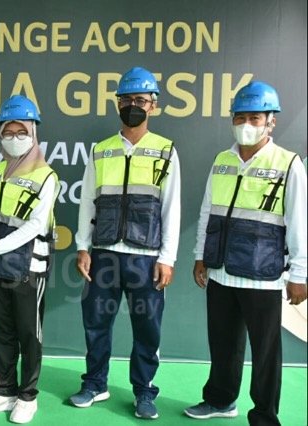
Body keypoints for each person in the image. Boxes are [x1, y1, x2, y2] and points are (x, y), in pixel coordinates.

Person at [184, 81, 307, 425]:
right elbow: (207, 212)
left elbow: (300, 223)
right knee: (223, 344)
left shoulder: (288, 164)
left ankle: (265, 416)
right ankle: (220, 400)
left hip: (263, 276)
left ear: (271, 121)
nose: (246, 124)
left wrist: (299, 275)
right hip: (221, 270)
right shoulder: (222, 161)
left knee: (265, 353)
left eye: (255, 118)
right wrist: (200, 255)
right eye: (240, 117)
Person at [69, 66, 181, 420]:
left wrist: (168, 258)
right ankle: (95, 384)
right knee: (96, 322)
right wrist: (83, 247)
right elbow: (87, 202)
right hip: (104, 253)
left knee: (147, 328)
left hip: (146, 258)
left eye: (141, 100)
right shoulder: (101, 151)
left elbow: (171, 207)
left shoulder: (166, 150)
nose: (133, 105)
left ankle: (144, 391)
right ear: (118, 103)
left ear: (153, 105)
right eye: (127, 99)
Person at [0, 94, 58, 424]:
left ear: (33, 133)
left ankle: (28, 396)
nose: (14, 138)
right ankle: (5, 390)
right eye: (8, 132)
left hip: (29, 267)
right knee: (0, 328)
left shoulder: (46, 175)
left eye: (21, 132)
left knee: (29, 333)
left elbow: (35, 226)